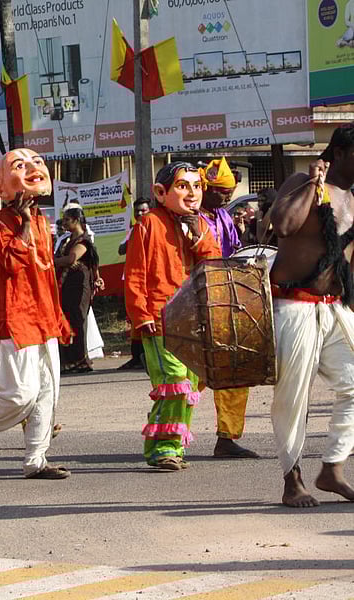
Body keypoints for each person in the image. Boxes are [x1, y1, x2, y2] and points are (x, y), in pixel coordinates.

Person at [0, 148, 72, 479]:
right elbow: (11, 263)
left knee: (47, 394)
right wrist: (22, 224)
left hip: (43, 319)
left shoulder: (40, 219)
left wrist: (57, 317)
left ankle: (35, 461)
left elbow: (45, 272)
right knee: (20, 394)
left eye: (37, 162)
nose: (34, 167)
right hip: (13, 321)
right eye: (20, 165)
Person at [268, 124, 354, 507]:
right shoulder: (303, 182)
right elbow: (282, 225)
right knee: (293, 396)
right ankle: (292, 478)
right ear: (340, 153)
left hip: (335, 307)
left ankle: (332, 468)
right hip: (293, 306)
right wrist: (312, 184)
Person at [124, 161, 221, 470]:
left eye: (197, 186)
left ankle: (171, 446)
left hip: (192, 318)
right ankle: (162, 448)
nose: (192, 193)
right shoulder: (148, 224)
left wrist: (197, 235)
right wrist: (141, 315)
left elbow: (214, 263)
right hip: (158, 317)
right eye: (183, 186)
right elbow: (135, 274)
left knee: (188, 385)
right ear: (160, 192)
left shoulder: (200, 224)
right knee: (174, 381)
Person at [200, 158, 260, 459]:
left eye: (228, 191)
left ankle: (227, 437)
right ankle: (167, 438)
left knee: (234, 371)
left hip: (227, 300)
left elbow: (235, 251)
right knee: (186, 377)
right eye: (221, 192)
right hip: (196, 303)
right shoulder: (188, 217)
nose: (226, 197)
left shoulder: (224, 217)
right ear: (206, 189)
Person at [54, 207, 101, 374]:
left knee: (77, 322)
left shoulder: (83, 241)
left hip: (79, 287)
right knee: (66, 321)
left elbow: (72, 258)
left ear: (76, 221)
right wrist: (62, 261)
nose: (64, 223)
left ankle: (80, 361)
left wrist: (57, 262)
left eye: (67, 219)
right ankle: (68, 361)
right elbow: (66, 259)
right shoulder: (68, 240)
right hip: (67, 286)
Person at [117, 198, 151, 371]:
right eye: (137, 211)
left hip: (147, 281)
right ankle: (136, 357)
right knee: (133, 320)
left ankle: (145, 356)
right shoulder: (135, 229)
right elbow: (121, 249)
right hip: (131, 278)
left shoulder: (153, 229)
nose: (139, 214)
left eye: (143, 211)